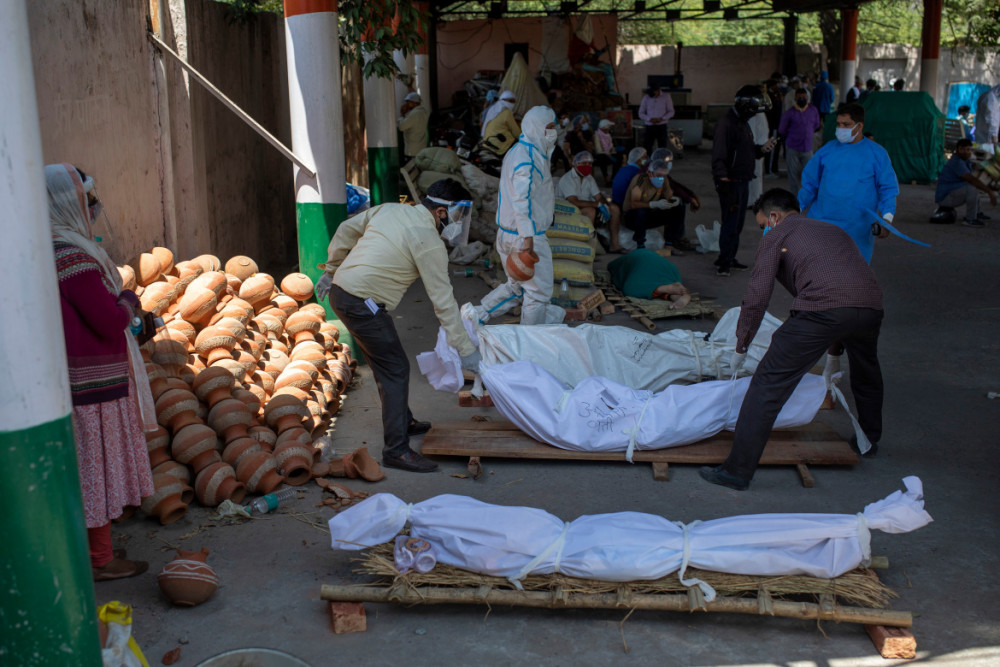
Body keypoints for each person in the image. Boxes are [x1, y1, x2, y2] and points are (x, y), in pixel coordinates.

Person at [700, 189, 885, 491]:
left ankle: (736, 471)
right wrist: (836, 347)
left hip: (821, 311)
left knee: (768, 384)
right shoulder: (832, 229)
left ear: (774, 217)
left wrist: (741, 344)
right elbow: (845, 278)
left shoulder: (777, 235)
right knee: (867, 373)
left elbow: (758, 295)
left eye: (762, 225)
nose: (764, 231)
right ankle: (870, 441)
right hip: (870, 306)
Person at [315, 178, 481, 473]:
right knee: (396, 369)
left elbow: (345, 229)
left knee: (385, 363)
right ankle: (396, 450)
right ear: (441, 213)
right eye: (456, 216)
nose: (457, 223)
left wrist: (331, 270)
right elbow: (443, 301)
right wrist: (466, 349)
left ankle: (404, 421)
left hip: (342, 292)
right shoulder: (429, 243)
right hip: (362, 304)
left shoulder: (391, 209)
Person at [47, 163, 155, 580]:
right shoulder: (70, 257)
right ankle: (100, 560)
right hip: (91, 384)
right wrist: (129, 298)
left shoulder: (54, 248)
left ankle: (96, 549)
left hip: (83, 377)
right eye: (85, 200)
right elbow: (108, 321)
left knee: (91, 469)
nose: (93, 207)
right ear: (66, 205)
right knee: (95, 471)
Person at [471, 106, 566, 326]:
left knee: (517, 288)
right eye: (550, 127)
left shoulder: (521, 151)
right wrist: (528, 238)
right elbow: (521, 201)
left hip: (508, 234)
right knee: (537, 295)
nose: (554, 131)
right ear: (537, 127)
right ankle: (530, 343)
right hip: (524, 236)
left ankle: (475, 317)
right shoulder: (527, 159)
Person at [799, 103, 899, 262]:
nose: (841, 128)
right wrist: (795, 208)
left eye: (846, 125)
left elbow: (887, 189)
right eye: (838, 124)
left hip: (857, 229)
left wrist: (887, 219)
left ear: (859, 126)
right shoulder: (827, 150)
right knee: (818, 274)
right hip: (821, 223)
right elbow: (809, 184)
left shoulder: (877, 154)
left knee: (851, 278)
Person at [712, 84, 778, 276]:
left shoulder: (741, 122)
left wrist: (761, 150)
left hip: (742, 179)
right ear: (746, 106)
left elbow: (747, 150)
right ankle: (723, 262)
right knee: (730, 222)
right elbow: (719, 155)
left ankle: (730, 257)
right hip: (731, 182)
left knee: (738, 223)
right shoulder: (727, 124)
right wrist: (723, 180)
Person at [622, 157, 697, 252]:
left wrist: (672, 200)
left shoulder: (663, 179)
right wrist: (654, 204)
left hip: (651, 214)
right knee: (641, 212)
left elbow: (670, 193)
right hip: (633, 217)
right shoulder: (639, 181)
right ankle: (640, 245)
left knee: (678, 206)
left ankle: (669, 244)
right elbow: (634, 204)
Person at [558, 151, 625, 253]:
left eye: (590, 164)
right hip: (567, 209)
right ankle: (587, 248)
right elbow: (573, 202)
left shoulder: (589, 178)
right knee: (590, 211)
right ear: (575, 164)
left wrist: (605, 206)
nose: (587, 166)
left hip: (585, 206)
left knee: (614, 208)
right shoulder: (567, 179)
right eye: (584, 163)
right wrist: (596, 205)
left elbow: (598, 196)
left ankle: (614, 245)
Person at [933, 138, 997, 227]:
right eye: (967, 150)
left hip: (951, 194)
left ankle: (976, 213)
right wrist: (989, 192)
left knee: (974, 186)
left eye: (969, 150)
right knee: (972, 188)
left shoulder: (965, 162)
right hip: (945, 198)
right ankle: (970, 219)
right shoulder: (957, 162)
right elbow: (971, 179)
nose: (969, 152)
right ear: (960, 149)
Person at [608, 248, 690, 310]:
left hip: (642, 264)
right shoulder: (648, 255)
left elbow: (611, 267)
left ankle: (661, 289)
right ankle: (678, 295)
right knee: (666, 279)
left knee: (630, 287)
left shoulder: (624, 260)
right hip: (669, 268)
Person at [778, 86, 821, 195]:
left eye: (804, 97)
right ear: (795, 98)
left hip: (807, 147)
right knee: (792, 174)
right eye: (799, 97)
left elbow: (816, 125)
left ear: (807, 98)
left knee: (810, 173)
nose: (802, 99)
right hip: (792, 146)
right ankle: (794, 195)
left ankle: (808, 194)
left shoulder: (813, 110)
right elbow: (782, 129)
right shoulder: (789, 113)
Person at [480, 90, 520, 157]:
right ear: (504, 100)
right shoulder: (507, 113)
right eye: (511, 101)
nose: (512, 104)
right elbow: (516, 132)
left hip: (487, 141)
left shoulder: (493, 109)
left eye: (513, 102)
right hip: (499, 145)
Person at [638, 86, 675, 153]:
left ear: (657, 91)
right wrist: (649, 119)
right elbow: (640, 113)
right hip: (649, 126)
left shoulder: (666, 97)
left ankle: (661, 161)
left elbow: (671, 112)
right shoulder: (646, 97)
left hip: (661, 125)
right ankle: (647, 162)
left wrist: (662, 118)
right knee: (647, 146)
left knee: (662, 146)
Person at [397, 92, 429, 160]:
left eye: (408, 102)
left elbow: (402, 127)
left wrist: (402, 116)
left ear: (414, 103)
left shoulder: (415, 114)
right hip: (421, 147)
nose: (407, 104)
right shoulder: (423, 111)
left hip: (412, 150)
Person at [974, 85, 1000, 155]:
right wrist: (995, 140)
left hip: (983, 140)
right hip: (987, 142)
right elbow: (991, 120)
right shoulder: (990, 98)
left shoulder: (989, 96)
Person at [592, 119, 618, 185]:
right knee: (602, 158)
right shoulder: (597, 135)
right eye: (608, 126)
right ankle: (606, 178)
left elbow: (611, 145)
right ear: (605, 128)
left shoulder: (608, 135)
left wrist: (612, 150)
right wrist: (608, 154)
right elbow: (599, 150)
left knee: (619, 156)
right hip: (600, 154)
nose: (609, 128)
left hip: (608, 153)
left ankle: (614, 177)